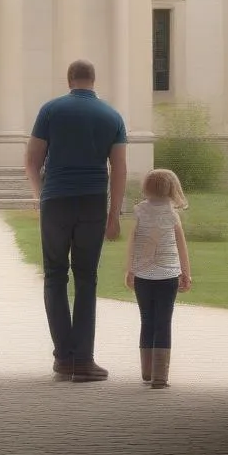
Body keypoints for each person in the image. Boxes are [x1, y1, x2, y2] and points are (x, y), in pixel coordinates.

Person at [24, 59, 128, 383]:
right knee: (86, 278)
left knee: (55, 275)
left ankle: (63, 358)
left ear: (69, 79)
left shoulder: (50, 111)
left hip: (56, 199)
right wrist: (114, 215)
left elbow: (31, 161)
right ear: (93, 81)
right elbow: (119, 169)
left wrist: (41, 194)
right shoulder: (112, 116)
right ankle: (83, 361)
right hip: (92, 201)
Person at [125, 168, 193, 389]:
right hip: (168, 274)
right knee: (163, 322)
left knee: (147, 320)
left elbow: (133, 243)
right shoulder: (172, 215)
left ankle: (146, 371)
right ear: (173, 189)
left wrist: (130, 269)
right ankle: (160, 376)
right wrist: (186, 272)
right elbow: (181, 247)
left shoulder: (140, 212)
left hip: (143, 274)